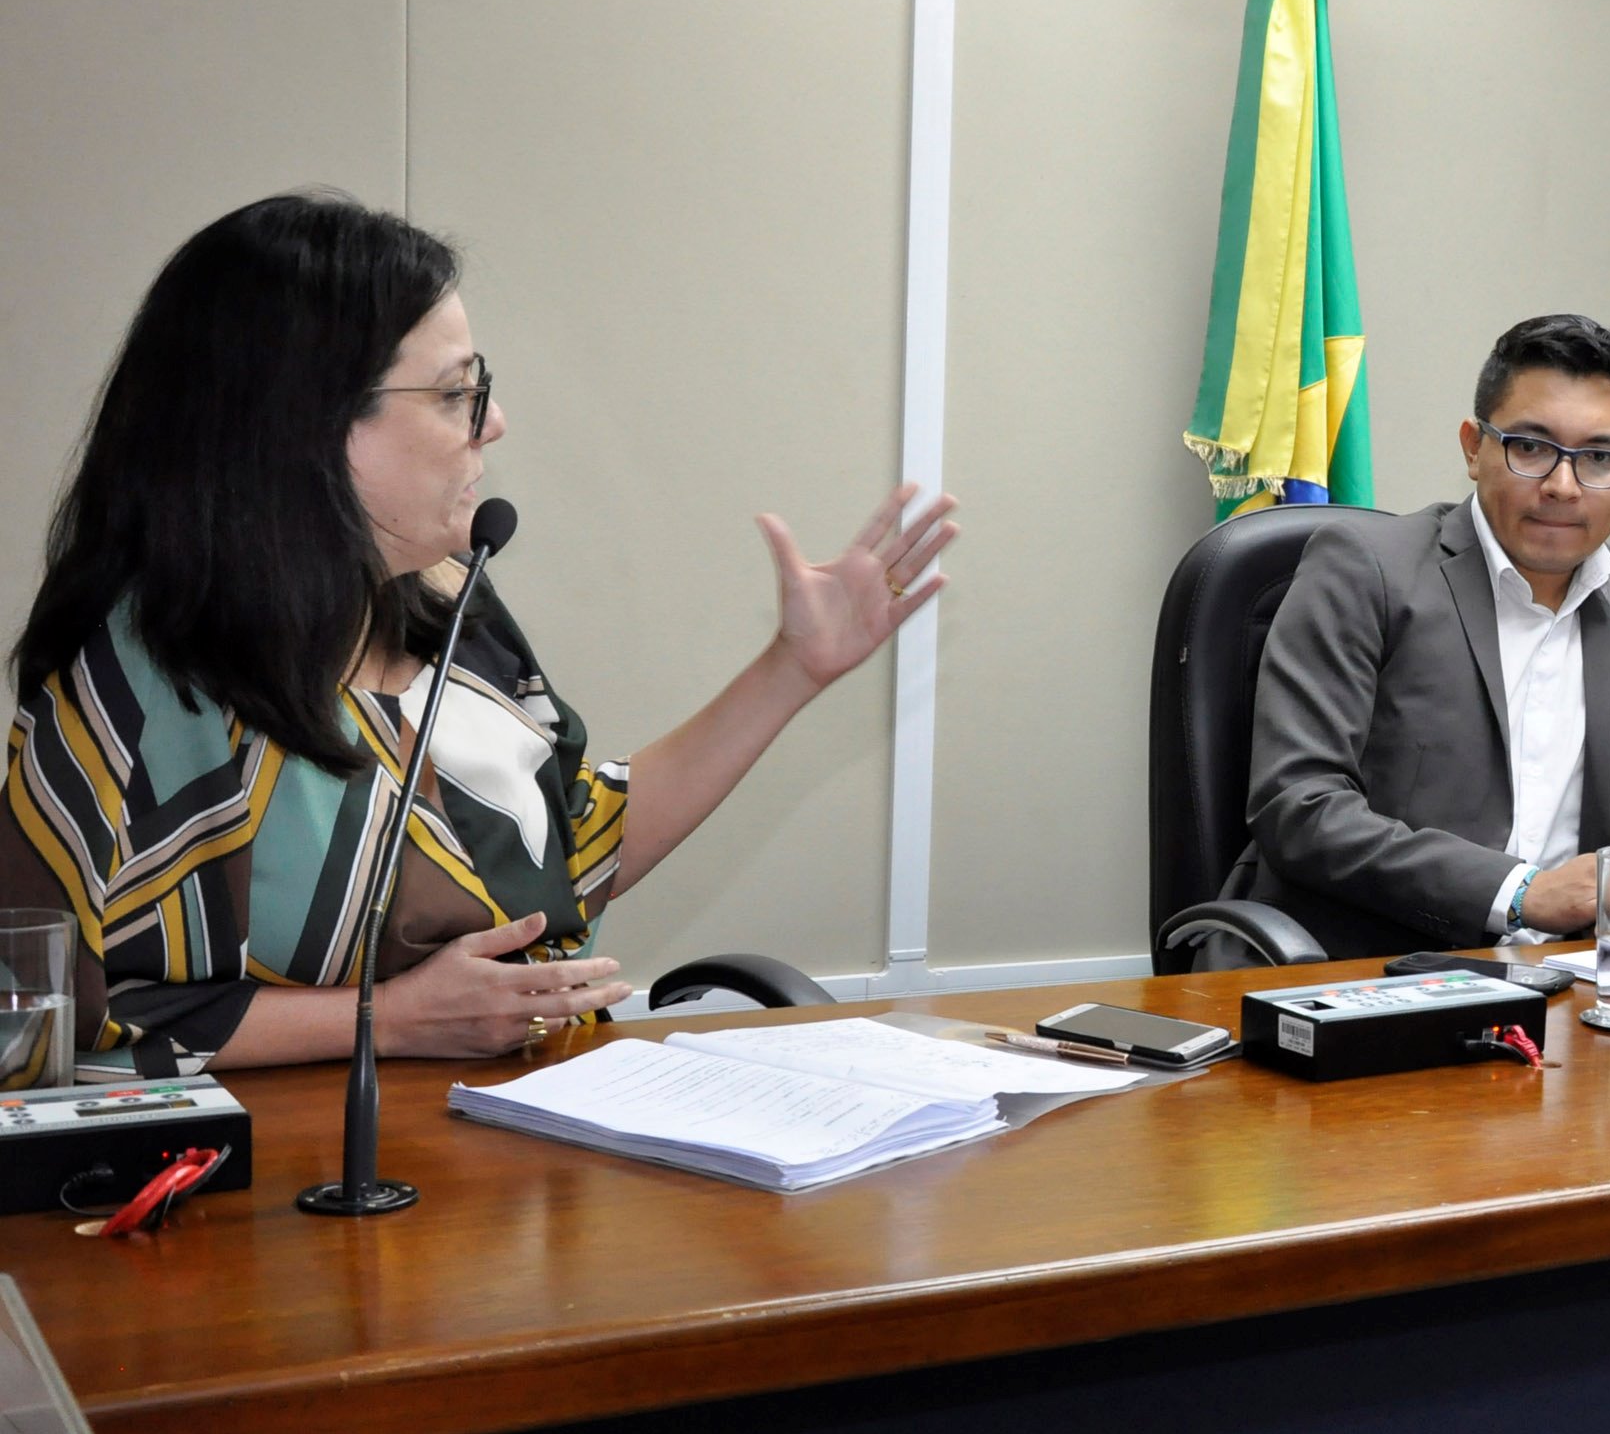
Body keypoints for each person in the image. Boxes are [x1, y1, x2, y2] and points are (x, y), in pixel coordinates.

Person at [0, 193, 957, 1074]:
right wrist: (391, 1019)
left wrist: (794, 669)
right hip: (290, 1171)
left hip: (530, 1128)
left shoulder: (443, 598)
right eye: (458, 392)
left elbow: (578, 846)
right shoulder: (142, 677)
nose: (494, 422)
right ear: (305, 423)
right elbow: (72, 1010)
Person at [1224, 313, 1610, 961]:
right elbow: (1299, 805)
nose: (1562, 486)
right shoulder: (1366, 570)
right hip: (1362, 967)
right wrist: (1520, 892)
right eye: (1530, 447)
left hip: (1571, 975)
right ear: (1474, 448)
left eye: (1599, 458)